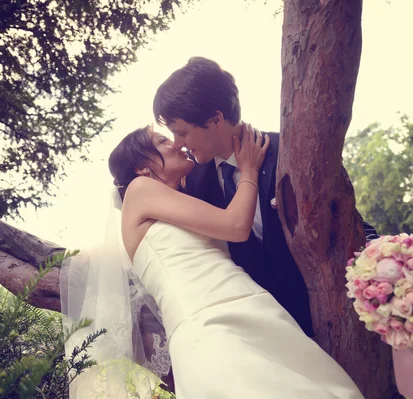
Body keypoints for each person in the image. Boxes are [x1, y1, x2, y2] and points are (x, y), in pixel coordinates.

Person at [105, 123, 364, 398]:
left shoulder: (183, 199)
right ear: (141, 167)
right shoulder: (140, 190)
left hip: (257, 307)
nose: (176, 144)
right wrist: (249, 170)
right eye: (161, 141)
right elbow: (236, 225)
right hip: (208, 324)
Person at [152, 56, 379, 337]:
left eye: (182, 132)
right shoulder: (193, 181)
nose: (178, 144)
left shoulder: (292, 152)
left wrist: (383, 260)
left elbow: (347, 219)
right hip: (258, 330)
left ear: (215, 119)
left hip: (328, 317)